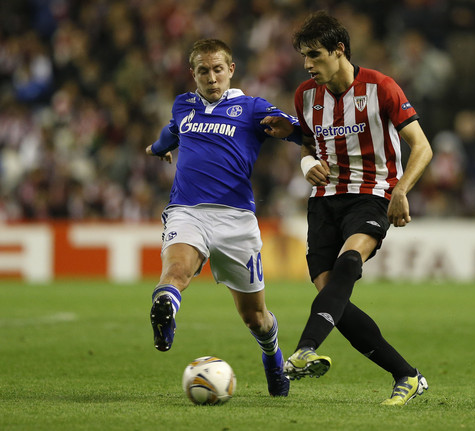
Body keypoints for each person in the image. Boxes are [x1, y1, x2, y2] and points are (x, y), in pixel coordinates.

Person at [283, 12, 433, 406]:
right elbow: (306, 145)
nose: (307, 65)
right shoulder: (305, 96)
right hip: (323, 203)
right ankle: (407, 375)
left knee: (350, 262)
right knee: (334, 297)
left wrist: (400, 190)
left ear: (339, 50)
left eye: (315, 55)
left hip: (372, 194)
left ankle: (303, 350)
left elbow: (422, 146)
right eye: (303, 57)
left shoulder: (381, 87)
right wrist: (306, 164)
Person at [146, 38, 300, 397]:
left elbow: (290, 128)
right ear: (193, 74)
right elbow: (171, 132)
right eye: (203, 71)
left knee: (256, 319)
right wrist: (158, 148)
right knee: (176, 272)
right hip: (187, 211)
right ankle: (165, 307)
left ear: (230, 70)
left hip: (236, 220)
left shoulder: (251, 108)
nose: (211, 77)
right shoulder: (184, 105)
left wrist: (293, 132)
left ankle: (273, 360)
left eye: (218, 69)